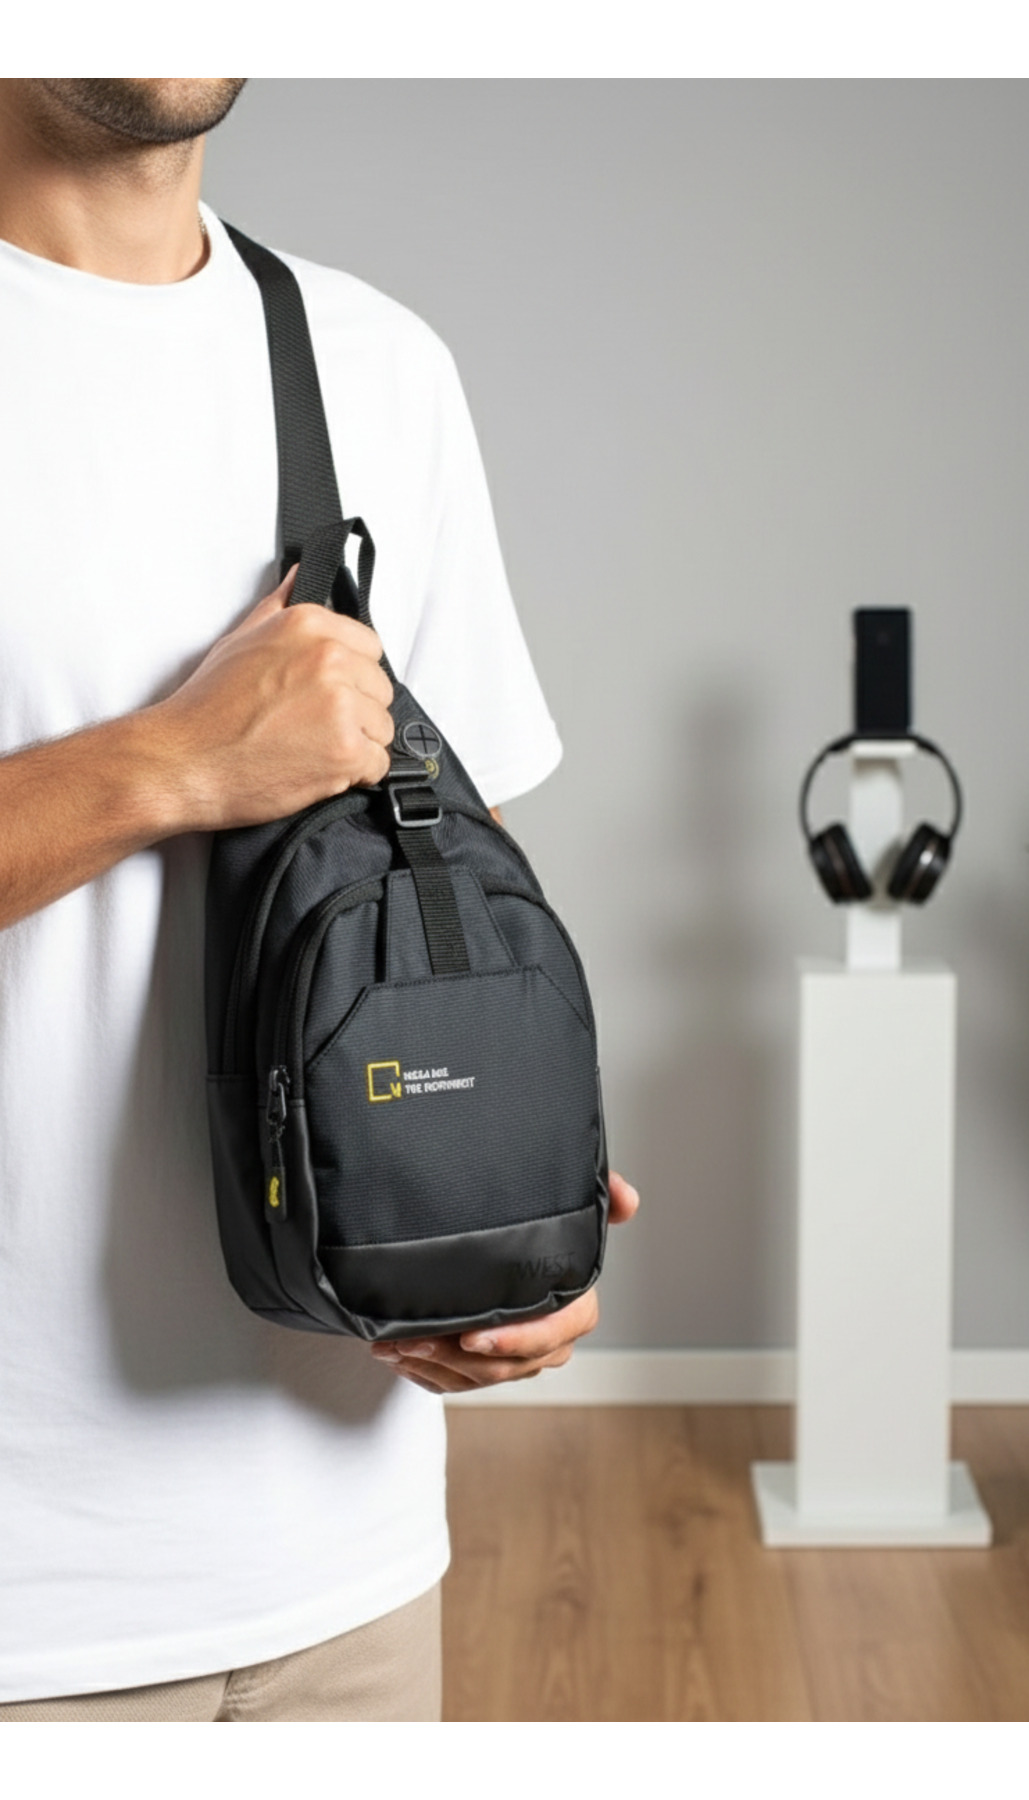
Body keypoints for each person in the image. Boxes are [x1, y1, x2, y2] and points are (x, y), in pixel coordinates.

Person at [0, 78, 637, 1723]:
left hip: (347, 1569)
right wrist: (168, 763)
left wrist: (496, 1202)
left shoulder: (375, 365)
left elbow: (449, 880)